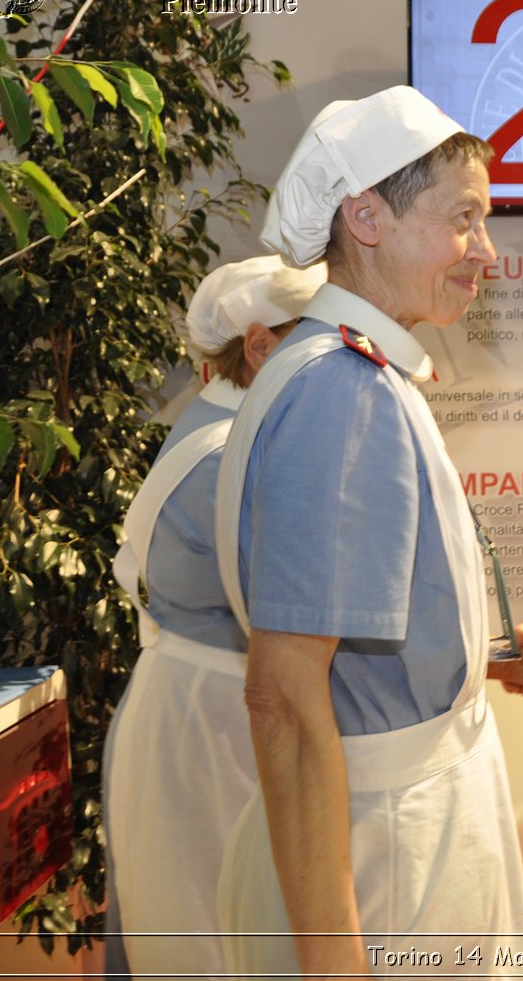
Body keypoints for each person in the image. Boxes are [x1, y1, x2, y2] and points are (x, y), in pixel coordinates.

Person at [211, 86, 523, 978]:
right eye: (464, 219)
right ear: (366, 216)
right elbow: (287, 699)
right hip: (388, 851)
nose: (485, 253)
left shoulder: (357, 375)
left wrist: (480, 651)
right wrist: (336, 960)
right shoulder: (341, 390)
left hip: (402, 822)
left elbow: (353, 640)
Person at [102, 254, 323, 979]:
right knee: (216, 937)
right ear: (259, 348)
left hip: (202, 716)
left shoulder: (225, 429)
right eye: (316, 339)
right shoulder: (237, 459)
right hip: (212, 734)